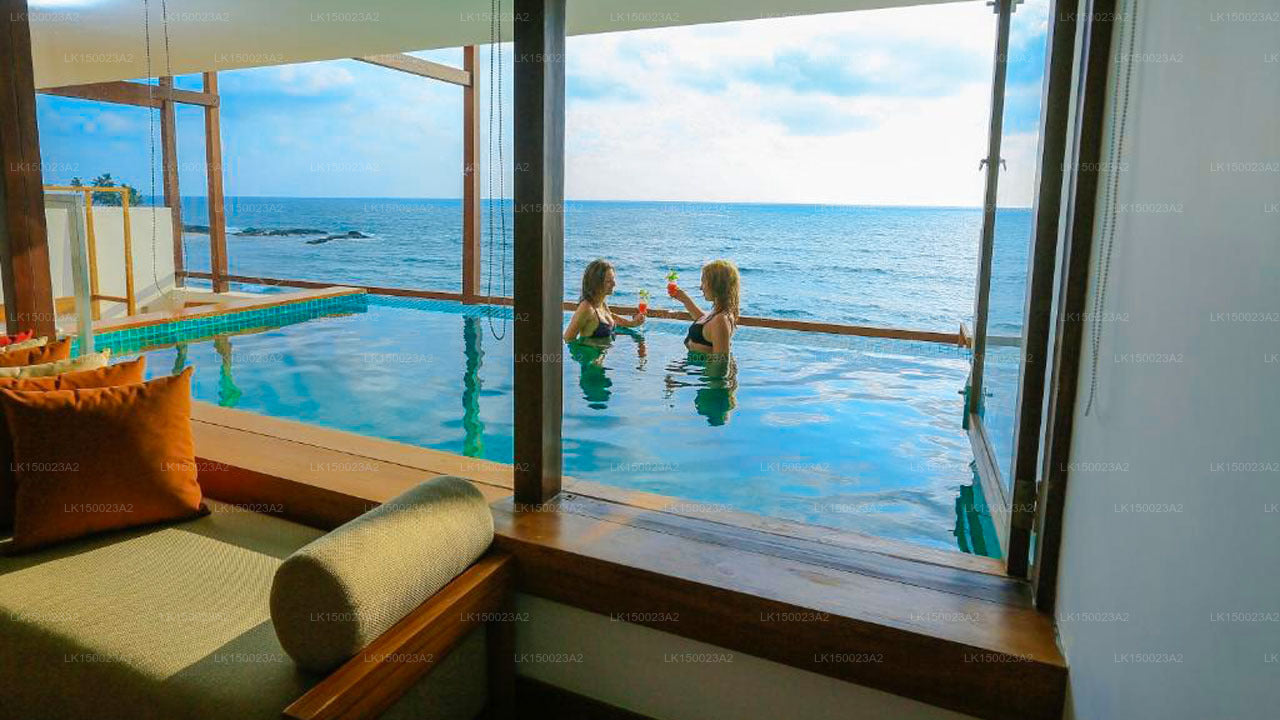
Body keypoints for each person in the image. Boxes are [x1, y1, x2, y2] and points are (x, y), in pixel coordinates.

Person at [563, 259, 645, 342]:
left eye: (613, 279)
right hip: (591, 351)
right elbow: (568, 338)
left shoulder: (601, 303)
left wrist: (632, 323)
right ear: (596, 283)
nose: (614, 284)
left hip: (604, 349)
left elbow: (609, 317)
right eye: (608, 281)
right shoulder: (586, 308)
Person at [669, 259, 740, 354]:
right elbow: (704, 323)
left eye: (703, 282)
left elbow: (722, 361)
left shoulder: (720, 320)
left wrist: (699, 349)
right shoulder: (717, 315)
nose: (701, 287)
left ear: (716, 285)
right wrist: (685, 299)